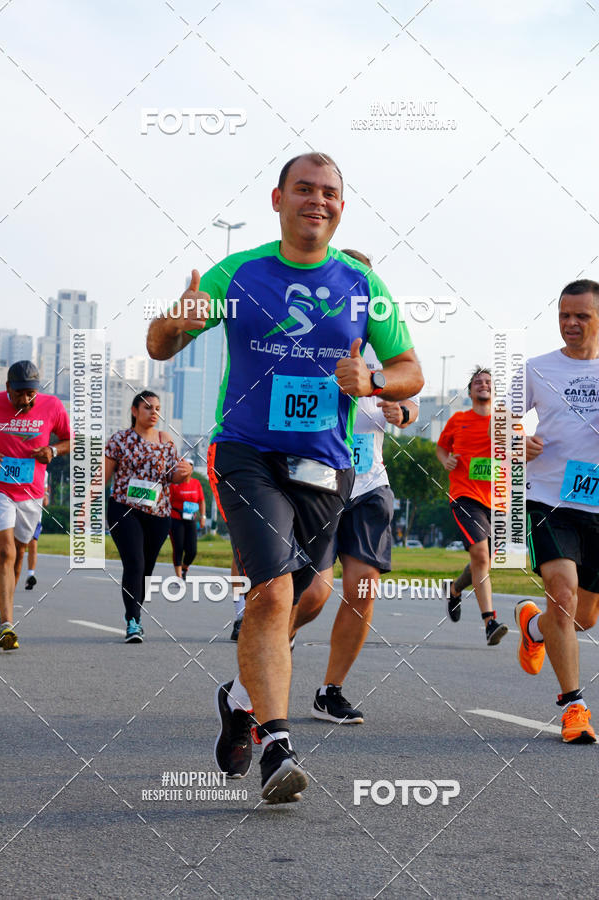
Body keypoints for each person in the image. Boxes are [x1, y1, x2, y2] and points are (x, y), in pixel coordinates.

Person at [147, 152, 424, 804]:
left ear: (341, 207)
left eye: (328, 192)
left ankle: (240, 699)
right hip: (247, 453)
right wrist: (178, 320)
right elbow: (160, 344)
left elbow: (410, 370)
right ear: (278, 199)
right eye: (304, 189)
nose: (316, 200)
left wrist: (374, 379)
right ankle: (277, 745)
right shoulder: (239, 272)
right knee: (271, 593)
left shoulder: (363, 284)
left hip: (326, 466)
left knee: (313, 595)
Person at [291, 248, 419, 724]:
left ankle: (330, 691)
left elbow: (412, 397)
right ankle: (271, 642)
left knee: (363, 587)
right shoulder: (304, 334)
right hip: (317, 480)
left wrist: (400, 411)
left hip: (369, 482)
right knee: (312, 595)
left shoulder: (386, 343)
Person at [515, 279, 599, 743]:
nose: (571, 323)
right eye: (565, 315)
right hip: (549, 498)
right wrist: (516, 440)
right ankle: (574, 708)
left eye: (581, 316)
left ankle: (534, 626)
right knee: (562, 596)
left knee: (584, 617)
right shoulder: (537, 368)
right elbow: (500, 421)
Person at [105, 390, 192, 643]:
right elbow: (103, 476)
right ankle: (133, 621)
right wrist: (85, 506)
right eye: (148, 407)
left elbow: (173, 476)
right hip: (124, 508)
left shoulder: (166, 440)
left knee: (146, 568)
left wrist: (185, 473)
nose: (154, 413)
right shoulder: (119, 439)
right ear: (134, 411)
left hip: (158, 514)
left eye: (157, 409)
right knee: (134, 562)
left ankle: (136, 614)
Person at [0, 361, 70, 650]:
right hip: (1, 489)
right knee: (5, 551)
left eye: (31, 394)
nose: (26, 400)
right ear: (8, 388)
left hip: (31, 493)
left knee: (19, 554)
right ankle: (7, 625)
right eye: (20, 394)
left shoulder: (53, 406)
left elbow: (70, 440)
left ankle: (3, 608)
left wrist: (53, 450)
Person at [436, 368, 509, 645]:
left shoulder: (506, 421)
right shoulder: (458, 420)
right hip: (465, 496)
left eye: (488, 381)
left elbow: (521, 452)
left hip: (499, 500)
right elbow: (441, 448)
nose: (483, 384)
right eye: (477, 382)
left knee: (484, 561)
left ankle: (455, 590)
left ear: (494, 390)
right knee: (480, 554)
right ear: (470, 391)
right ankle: (490, 622)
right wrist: (446, 460)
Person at [169, 472, 206, 579]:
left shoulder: (196, 483)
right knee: (178, 548)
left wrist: (203, 516)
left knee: (192, 551)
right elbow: (167, 502)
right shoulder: (174, 484)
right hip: (176, 518)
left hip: (191, 519)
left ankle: (184, 568)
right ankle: (179, 577)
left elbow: (201, 501)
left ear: (191, 470)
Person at [25, 472, 50, 590]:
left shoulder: (44, 472)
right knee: (14, 547)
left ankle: (31, 575)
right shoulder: (21, 465)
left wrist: (45, 496)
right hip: (18, 511)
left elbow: (45, 492)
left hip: (35, 515)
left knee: (33, 543)